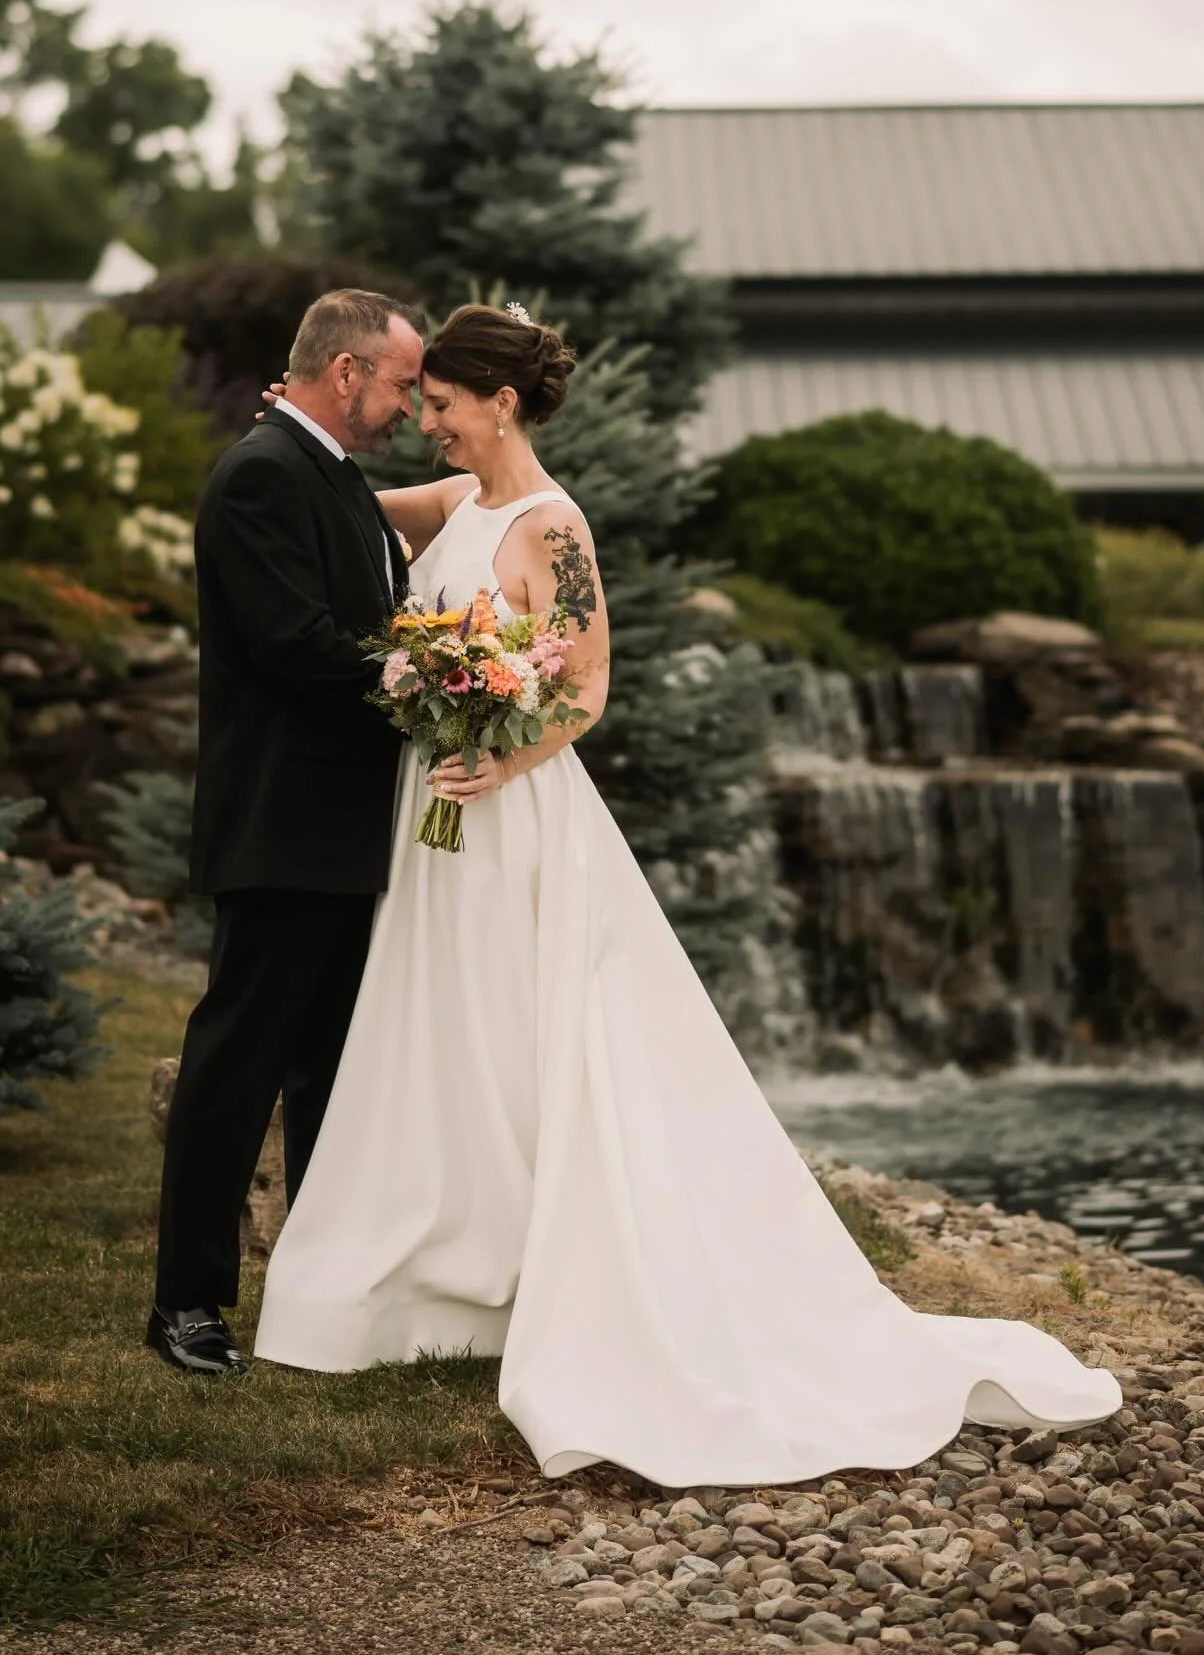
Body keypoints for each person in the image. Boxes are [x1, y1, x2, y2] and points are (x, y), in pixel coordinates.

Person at [251, 301, 1122, 1485]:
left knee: (529, 1031)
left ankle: (545, 1267)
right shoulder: (461, 504)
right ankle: (446, 1264)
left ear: (499, 402)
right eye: (426, 404)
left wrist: (499, 750)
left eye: (446, 407)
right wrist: (292, 433)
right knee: (446, 1031)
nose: (433, 426)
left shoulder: (554, 529)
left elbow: (589, 683)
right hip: (439, 817)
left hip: (510, 809)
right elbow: (346, 506)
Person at [148, 289, 425, 1375]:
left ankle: (315, 1291)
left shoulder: (336, 476)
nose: (409, 403)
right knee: (238, 1064)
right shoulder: (261, 474)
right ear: (347, 372)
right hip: (281, 823)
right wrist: (424, 677)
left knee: (328, 1072)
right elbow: (297, 644)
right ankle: (186, 1304)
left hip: (346, 827)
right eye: (403, 382)